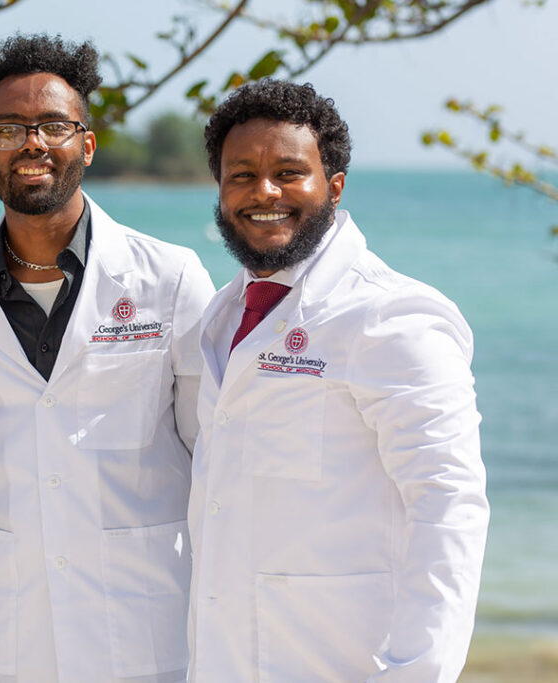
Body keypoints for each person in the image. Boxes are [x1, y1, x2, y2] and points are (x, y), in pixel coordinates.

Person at [0, 34, 216, 683]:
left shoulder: (172, 279)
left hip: (143, 643)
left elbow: (212, 454)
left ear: (88, 144)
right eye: (9, 128)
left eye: (53, 125)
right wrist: (3, 488)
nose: (32, 143)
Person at [187, 79, 490, 682]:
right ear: (220, 190)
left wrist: (416, 673)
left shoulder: (392, 317)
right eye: (241, 174)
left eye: (289, 172)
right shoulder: (225, 316)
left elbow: (448, 506)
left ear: (334, 186)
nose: (263, 192)